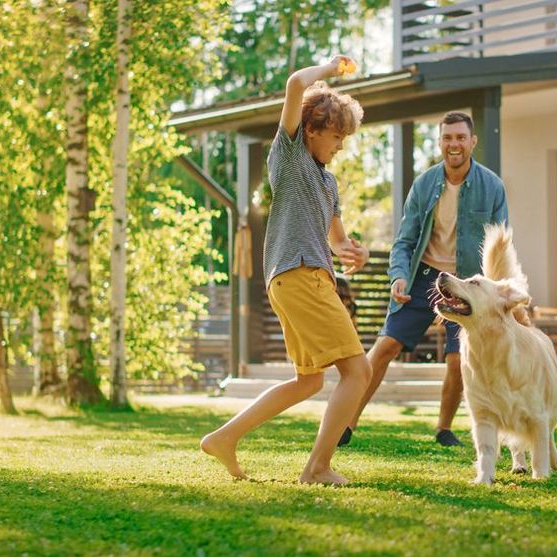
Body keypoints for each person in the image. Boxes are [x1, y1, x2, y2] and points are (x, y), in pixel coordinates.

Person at [200, 55, 372, 485]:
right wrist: (330, 71)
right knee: (358, 371)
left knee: (309, 381)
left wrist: (355, 253)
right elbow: (296, 83)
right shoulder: (290, 156)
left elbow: (338, 240)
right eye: (335, 135)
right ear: (312, 129)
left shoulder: (328, 182)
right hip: (300, 274)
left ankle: (225, 438)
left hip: (301, 277)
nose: (339, 145)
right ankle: (317, 468)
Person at [342, 111, 508, 447]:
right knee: (385, 346)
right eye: (448, 138)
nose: (454, 144)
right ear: (440, 143)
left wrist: (496, 293)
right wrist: (399, 277)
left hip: (465, 284)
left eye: (460, 137)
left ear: (472, 142)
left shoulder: (492, 187)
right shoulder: (424, 184)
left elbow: (500, 248)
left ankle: (443, 429)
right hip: (424, 276)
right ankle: (346, 423)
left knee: (459, 359)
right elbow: (404, 241)